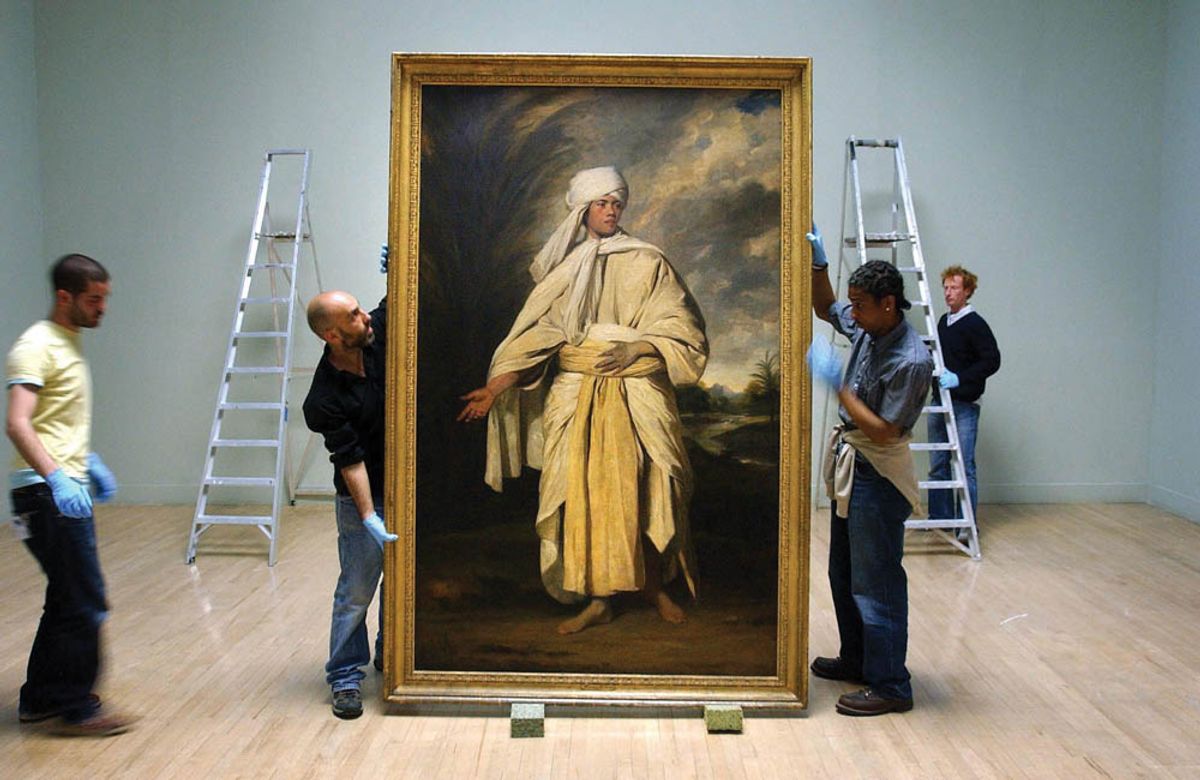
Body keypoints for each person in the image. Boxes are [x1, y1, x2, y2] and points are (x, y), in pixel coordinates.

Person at [458, 166, 708, 635]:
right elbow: (540, 336)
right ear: (583, 210)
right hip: (577, 395)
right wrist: (495, 389)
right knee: (585, 494)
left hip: (638, 390)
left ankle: (653, 587)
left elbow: (683, 329)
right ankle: (599, 599)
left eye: (616, 203)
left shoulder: (648, 260)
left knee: (650, 487)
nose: (611, 211)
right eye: (601, 204)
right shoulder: (566, 269)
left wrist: (640, 346)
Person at [806, 227, 933, 716]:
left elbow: (883, 431)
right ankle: (857, 659)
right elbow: (825, 307)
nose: (850, 313)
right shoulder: (868, 326)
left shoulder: (911, 359)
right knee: (844, 572)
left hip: (878, 473)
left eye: (859, 305)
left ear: (888, 304)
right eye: (852, 305)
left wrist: (839, 387)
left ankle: (891, 685)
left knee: (875, 581)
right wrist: (818, 264)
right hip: (853, 465)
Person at [6, 253, 133, 736]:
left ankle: (40, 699)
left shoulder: (68, 342)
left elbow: (52, 423)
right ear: (65, 297)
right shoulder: (36, 345)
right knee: (86, 601)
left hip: (58, 487)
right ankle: (76, 706)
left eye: (105, 298)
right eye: (94, 300)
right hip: (46, 495)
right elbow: (18, 422)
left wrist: (87, 461)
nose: (102, 308)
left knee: (66, 598)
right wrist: (58, 477)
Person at [302, 290, 396, 720]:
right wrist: (368, 515)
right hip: (363, 496)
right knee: (357, 589)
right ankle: (344, 675)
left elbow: (396, 300)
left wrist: (396, 259)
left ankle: (391, 656)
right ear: (332, 335)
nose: (366, 317)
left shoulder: (371, 337)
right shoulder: (323, 398)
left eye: (360, 308)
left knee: (400, 584)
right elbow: (350, 461)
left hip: (403, 488)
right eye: (355, 316)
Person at [927, 265, 1000, 533]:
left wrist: (962, 378)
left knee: (964, 464)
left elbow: (992, 360)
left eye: (954, 288)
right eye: (945, 288)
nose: (948, 293)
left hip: (965, 405)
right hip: (940, 401)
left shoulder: (975, 324)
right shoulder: (943, 323)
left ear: (967, 291)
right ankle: (940, 518)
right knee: (938, 465)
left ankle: (966, 524)